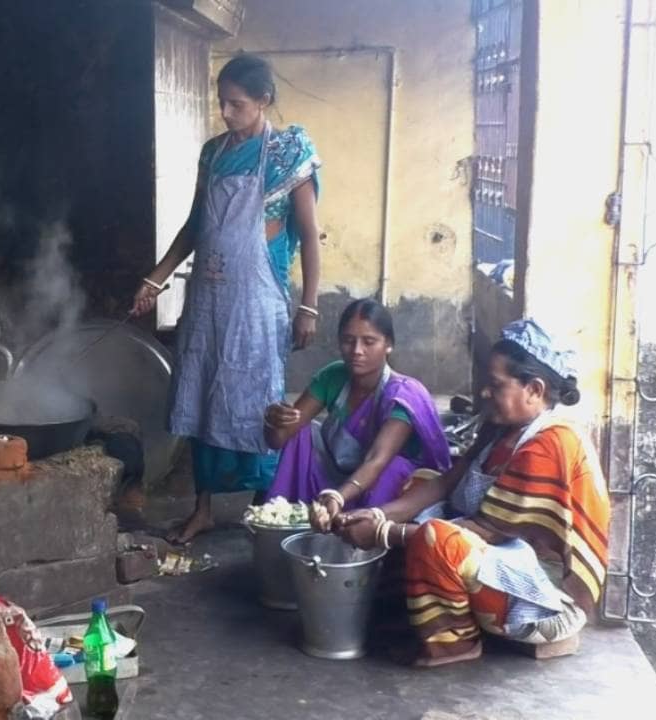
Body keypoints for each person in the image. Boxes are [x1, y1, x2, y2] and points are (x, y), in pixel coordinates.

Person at [333, 319, 611, 667]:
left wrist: (382, 533)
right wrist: (378, 514)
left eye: (495, 385)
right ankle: (407, 613)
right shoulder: (503, 427)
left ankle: (456, 642)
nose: (484, 393)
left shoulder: (552, 444)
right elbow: (445, 483)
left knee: (438, 539)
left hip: (545, 602)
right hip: (504, 563)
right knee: (420, 480)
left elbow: (481, 530)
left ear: (535, 390)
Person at [131, 54, 323, 544]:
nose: (226, 112)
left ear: (264, 100)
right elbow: (195, 226)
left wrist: (309, 305)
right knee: (201, 394)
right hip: (209, 301)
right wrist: (154, 281)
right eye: (221, 102)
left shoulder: (285, 153)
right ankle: (203, 509)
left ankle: (263, 507)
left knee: (256, 397)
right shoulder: (213, 153)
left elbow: (309, 231)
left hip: (260, 302)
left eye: (237, 104)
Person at [263, 299, 451, 532]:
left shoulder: (402, 395)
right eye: (348, 341)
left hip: (383, 487)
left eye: (369, 342)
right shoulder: (333, 377)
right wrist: (273, 421)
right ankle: (293, 520)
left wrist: (337, 497)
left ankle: (365, 533)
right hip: (339, 476)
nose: (357, 351)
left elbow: (377, 458)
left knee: (394, 466)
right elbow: (279, 440)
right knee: (302, 431)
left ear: (388, 344)